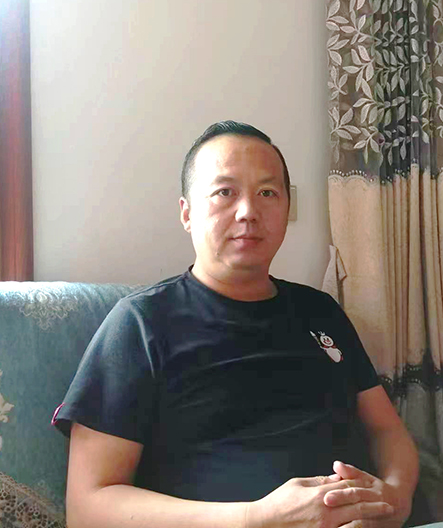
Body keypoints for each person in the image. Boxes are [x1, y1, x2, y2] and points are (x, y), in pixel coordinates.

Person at [52, 121, 420, 528]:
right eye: (225, 192)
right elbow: (87, 507)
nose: (248, 212)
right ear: (187, 213)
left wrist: (396, 499)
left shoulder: (320, 311)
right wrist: (256, 518)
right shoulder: (140, 324)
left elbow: (387, 431)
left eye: (267, 193)